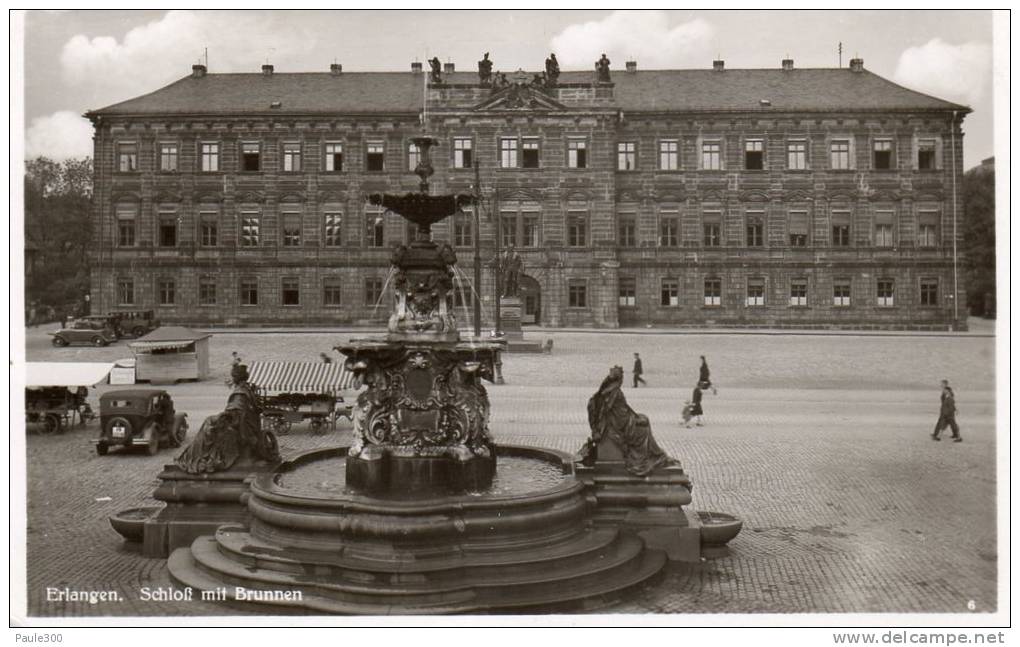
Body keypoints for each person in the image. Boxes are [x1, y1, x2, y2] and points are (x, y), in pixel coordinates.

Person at [580, 365, 679, 476]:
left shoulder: (606, 389)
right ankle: (652, 455)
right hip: (619, 423)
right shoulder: (615, 392)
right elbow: (621, 413)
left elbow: (621, 409)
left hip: (617, 419)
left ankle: (655, 453)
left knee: (643, 418)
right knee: (644, 425)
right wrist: (635, 419)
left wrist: (635, 416)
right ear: (619, 378)